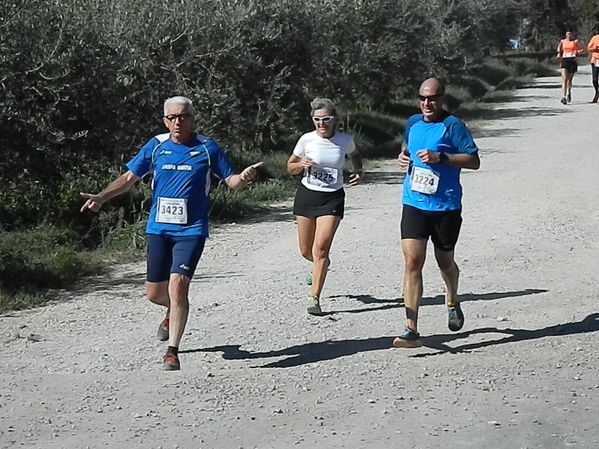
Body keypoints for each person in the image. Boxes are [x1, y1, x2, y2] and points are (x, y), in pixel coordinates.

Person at [80, 96, 263, 371]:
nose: (178, 122)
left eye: (183, 116)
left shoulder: (207, 147)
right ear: (165, 121)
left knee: (178, 286)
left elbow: (232, 182)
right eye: (172, 117)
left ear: (192, 118)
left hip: (192, 229)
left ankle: (172, 351)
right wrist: (103, 197)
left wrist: (244, 178)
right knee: (155, 294)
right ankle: (172, 310)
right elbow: (129, 178)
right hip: (159, 228)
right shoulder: (156, 146)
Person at [393, 78, 480, 348]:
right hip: (414, 203)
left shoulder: (453, 126)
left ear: (442, 98)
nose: (427, 103)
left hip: (446, 207)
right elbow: (406, 147)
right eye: (422, 98)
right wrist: (402, 157)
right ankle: (411, 329)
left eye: (432, 98)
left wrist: (442, 157)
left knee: (444, 262)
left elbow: (474, 161)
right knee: (411, 262)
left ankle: (452, 297)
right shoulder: (412, 122)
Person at [286, 98, 363, 315]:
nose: (321, 124)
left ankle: (314, 297)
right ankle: (321, 265)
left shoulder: (344, 140)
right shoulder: (306, 140)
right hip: (307, 195)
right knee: (305, 250)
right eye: (317, 120)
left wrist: (359, 171)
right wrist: (300, 164)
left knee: (321, 248)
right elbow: (290, 166)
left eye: (326, 119)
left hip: (332, 198)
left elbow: (355, 155)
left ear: (334, 120)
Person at [556, 31, 585, 104]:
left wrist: (578, 52)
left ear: (572, 35)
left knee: (569, 80)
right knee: (564, 79)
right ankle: (564, 97)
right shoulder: (562, 41)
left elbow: (584, 49)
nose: (569, 36)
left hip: (572, 61)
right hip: (564, 60)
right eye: (567, 34)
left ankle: (569, 92)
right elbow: (559, 48)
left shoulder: (575, 41)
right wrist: (559, 53)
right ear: (565, 35)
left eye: (570, 34)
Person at [586, 26, 599, 103]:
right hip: (595, 60)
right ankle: (597, 92)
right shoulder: (595, 38)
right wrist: (595, 48)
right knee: (594, 79)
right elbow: (588, 48)